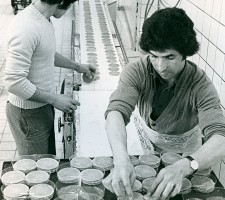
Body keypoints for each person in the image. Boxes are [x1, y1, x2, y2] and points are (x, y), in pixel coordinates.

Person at [103, 7, 225, 200]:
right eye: (154, 56)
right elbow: (115, 113)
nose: (160, 66)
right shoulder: (137, 71)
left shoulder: (199, 84)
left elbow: (221, 138)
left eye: (169, 57)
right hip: (149, 143)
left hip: (187, 152)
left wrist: (187, 165)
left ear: (185, 53)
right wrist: (120, 158)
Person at [3, 0, 95, 155]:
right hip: (28, 113)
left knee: (48, 160)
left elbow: (47, 54)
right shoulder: (26, 28)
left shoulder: (43, 18)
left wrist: (78, 66)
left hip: (41, 105)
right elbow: (13, 82)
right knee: (36, 171)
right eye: (70, 3)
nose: (70, 8)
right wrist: (54, 99)